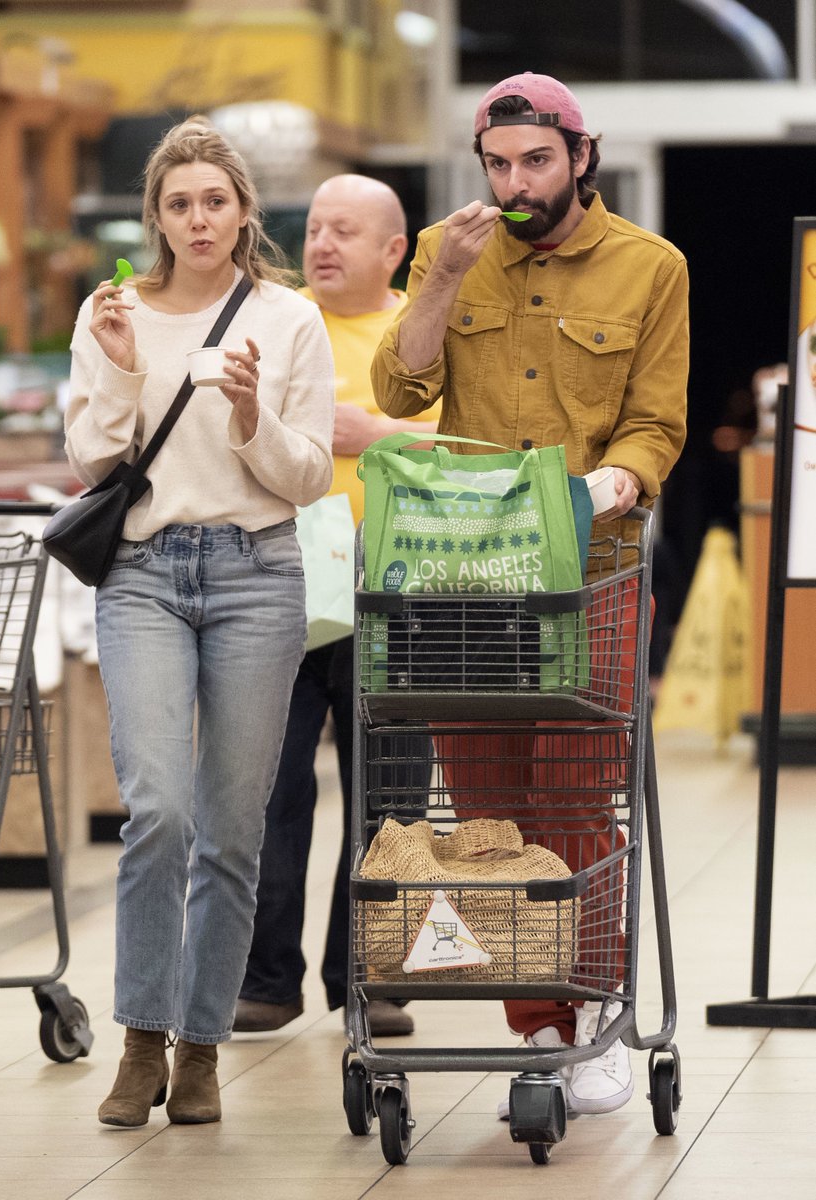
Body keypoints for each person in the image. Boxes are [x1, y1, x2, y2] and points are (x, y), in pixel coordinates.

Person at [371, 72, 689, 1115]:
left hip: (588, 574)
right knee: (486, 811)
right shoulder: (445, 250)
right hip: (464, 575)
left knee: (574, 796)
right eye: (497, 164)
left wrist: (610, 483)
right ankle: (540, 1026)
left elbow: (656, 421)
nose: (514, 184)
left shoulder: (652, 267)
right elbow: (398, 389)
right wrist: (438, 283)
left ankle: (590, 1014)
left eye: (535, 162)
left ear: (580, 156)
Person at [64, 115, 334, 1127]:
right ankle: (140, 1037)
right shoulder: (114, 311)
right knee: (159, 811)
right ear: (157, 216)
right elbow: (93, 464)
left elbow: (304, 474)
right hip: (141, 572)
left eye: (213, 200)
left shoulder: (287, 318)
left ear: (241, 211)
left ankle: (203, 1046)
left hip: (256, 574)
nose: (197, 218)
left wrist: (251, 413)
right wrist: (127, 366)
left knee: (230, 827)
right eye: (178, 203)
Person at [233, 174, 438, 1038]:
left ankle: (372, 976)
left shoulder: (418, 331)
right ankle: (266, 978)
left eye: (345, 231)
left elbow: (477, 442)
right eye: (315, 228)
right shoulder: (272, 318)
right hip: (278, 577)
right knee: (266, 788)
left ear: (393, 249)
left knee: (389, 794)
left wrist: (375, 434)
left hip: (397, 590)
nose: (321, 244)